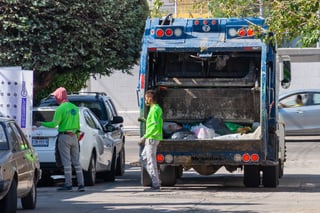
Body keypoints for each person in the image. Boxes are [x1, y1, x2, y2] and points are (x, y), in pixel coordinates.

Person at [36, 87, 85, 192]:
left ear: (59, 96)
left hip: (64, 136)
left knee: (66, 162)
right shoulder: (74, 108)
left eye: (56, 96)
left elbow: (54, 124)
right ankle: (81, 184)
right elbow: (77, 124)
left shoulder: (60, 109)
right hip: (74, 136)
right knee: (76, 161)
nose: (55, 98)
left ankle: (68, 184)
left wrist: (41, 123)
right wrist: (75, 135)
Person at [139, 89, 163, 191]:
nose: (145, 101)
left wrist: (144, 137)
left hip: (152, 138)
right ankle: (156, 180)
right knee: (143, 158)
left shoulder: (153, 110)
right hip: (154, 137)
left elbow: (154, 126)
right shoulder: (157, 108)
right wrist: (144, 121)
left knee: (150, 161)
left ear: (150, 98)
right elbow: (154, 123)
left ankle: (156, 184)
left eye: (146, 98)